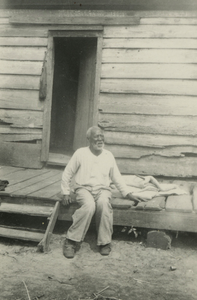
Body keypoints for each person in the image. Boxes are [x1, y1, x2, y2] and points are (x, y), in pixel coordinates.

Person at [61, 126, 142, 258]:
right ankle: (71, 241)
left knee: (104, 204)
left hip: (103, 189)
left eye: (101, 136)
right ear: (88, 139)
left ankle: (104, 242)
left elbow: (117, 177)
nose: (100, 139)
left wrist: (127, 193)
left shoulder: (108, 155)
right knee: (89, 206)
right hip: (83, 188)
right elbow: (68, 172)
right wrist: (65, 192)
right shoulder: (80, 153)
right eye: (96, 137)